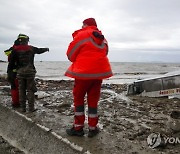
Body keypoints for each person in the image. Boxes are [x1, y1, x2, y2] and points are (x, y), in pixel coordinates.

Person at [65, 18, 113, 137]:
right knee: (93, 100)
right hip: (98, 74)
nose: (81, 27)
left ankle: (78, 128)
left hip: (83, 74)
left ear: (85, 25)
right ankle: (92, 128)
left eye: (83, 25)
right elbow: (105, 53)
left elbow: (70, 55)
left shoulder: (81, 35)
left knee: (79, 99)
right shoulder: (102, 38)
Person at [8, 34, 49, 112]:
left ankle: (23, 108)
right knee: (30, 90)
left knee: (21, 90)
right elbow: (39, 50)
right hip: (30, 72)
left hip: (20, 72)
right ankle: (31, 108)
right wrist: (46, 49)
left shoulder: (15, 50)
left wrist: (9, 73)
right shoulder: (31, 48)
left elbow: (11, 63)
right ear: (26, 41)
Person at [4, 40, 20, 108]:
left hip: (10, 71)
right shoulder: (16, 50)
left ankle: (15, 102)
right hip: (15, 72)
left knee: (13, 87)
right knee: (17, 88)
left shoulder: (11, 50)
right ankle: (17, 103)